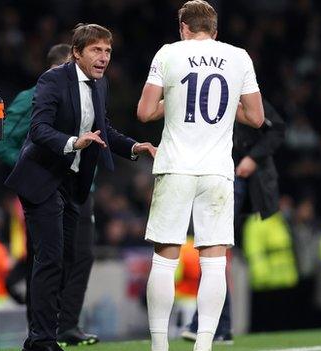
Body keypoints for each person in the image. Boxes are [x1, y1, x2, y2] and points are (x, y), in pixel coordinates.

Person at [5, 23, 156, 351]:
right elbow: (39, 128)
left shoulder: (100, 85)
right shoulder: (52, 80)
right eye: (96, 51)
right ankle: (41, 340)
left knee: (70, 259)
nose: (103, 58)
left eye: (107, 52)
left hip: (73, 183)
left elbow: (104, 129)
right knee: (49, 259)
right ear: (76, 53)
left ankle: (53, 331)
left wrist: (133, 147)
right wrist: (74, 142)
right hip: (43, 179)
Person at [136, 1, 264, 350]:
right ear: (215, 29)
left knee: (165, 259)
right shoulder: (239, 57)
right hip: (217, 170)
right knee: (214, 261)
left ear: (183, 26)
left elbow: (145, 112)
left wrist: (172, 102)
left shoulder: (168, 53)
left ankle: (160, 346)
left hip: (176, 165)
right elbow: (255, 117)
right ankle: (204, 344)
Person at [0, 43, 99, 346]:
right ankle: (39, 331)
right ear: (62, 65)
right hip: (45, 186)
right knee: (44, 257)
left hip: (78, 186)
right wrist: (33, 167)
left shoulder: (86, 93)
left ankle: (66, 325)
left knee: (81, 256)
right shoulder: (31, 97)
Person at [182, 99, 286, 343]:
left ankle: (211, 325)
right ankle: (218, 326)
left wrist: (253, 157)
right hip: (212, 176)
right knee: (215, 253)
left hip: (234, 177)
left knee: (214, 251)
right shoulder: (209, 91)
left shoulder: (243, 90)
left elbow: (277, 128)